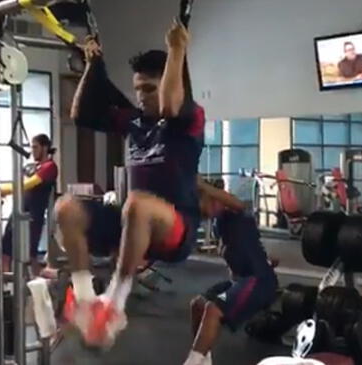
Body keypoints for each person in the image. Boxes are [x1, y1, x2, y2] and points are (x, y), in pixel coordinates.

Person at [56, 18, 205, 347]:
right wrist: (93, 63)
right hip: (130, 224)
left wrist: (177, 49)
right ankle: (85, 298)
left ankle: (114, 303)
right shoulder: (135, 121)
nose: (141, 97)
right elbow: (83, 114)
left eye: (148, 89)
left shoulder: (190, 119)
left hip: (174, 228)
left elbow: (170, 105)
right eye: (138, 90)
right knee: (67, 207)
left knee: (137, 203)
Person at [184, 179, 278, 365]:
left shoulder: (236, 214)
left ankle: (192, 362)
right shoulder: (220, 224)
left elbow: (238, 203)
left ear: (217, 199)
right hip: (242, 281)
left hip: (259, 281)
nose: (203, 210)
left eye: (207, 202)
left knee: (212, 310)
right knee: (198, 304)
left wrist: (201, 184)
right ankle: (204, 359)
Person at [0, 134, 58, 276]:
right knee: (6, 248)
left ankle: (36, 286)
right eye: (31, 147)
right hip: (19, 210)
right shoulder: (31, 166)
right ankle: (6, 285)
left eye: (35, 147)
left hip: (33, 214)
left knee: (30, 254)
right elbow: (21, 184)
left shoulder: (50, 167)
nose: (32, 151)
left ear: (45, 148)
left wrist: (1, 190)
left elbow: (28, 184)